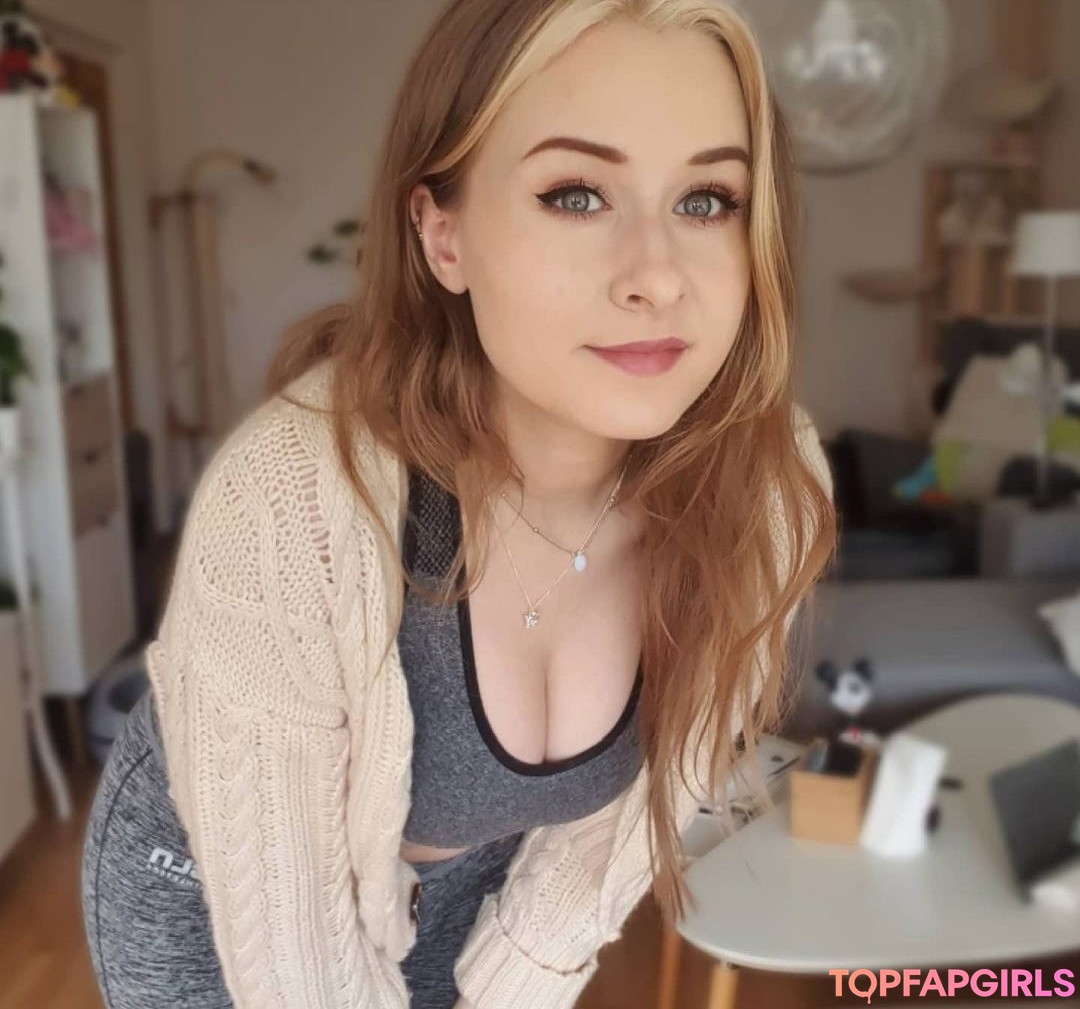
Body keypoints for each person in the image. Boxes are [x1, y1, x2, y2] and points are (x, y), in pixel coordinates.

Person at [80, 0, 836, 1006]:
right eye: (576, 194)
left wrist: (517, 977)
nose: (658, 277)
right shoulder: (295, 495)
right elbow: (297, 971)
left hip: (469, 875)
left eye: (707, 200)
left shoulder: (766, 487)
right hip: (224, 885)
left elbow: (625, 823)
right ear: (444, 237)